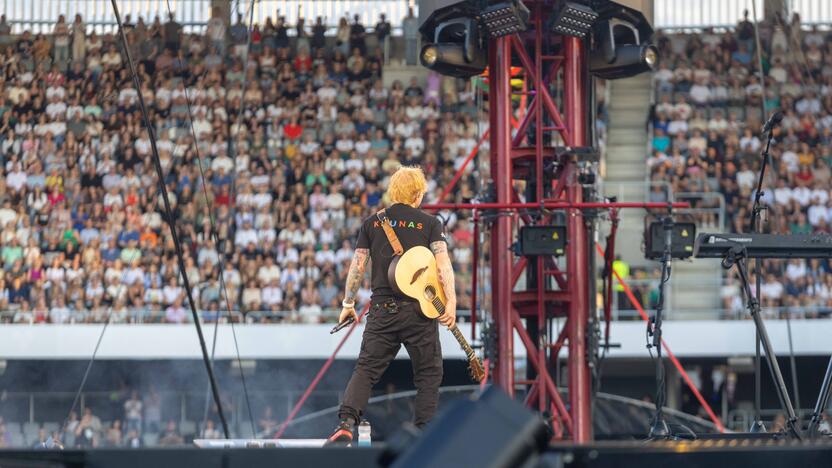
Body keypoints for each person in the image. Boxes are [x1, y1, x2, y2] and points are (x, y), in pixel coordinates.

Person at [326, 166, 456, 444]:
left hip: (382, 310)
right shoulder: (430, 223)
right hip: (419, 312)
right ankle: (422, 435)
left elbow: (358, 265)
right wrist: (451, 303)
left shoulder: (372, 223)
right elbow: (444, 266)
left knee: (366, 369)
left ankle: (347, 423)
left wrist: (348, 302)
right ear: (418, 193)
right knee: (429, 373)